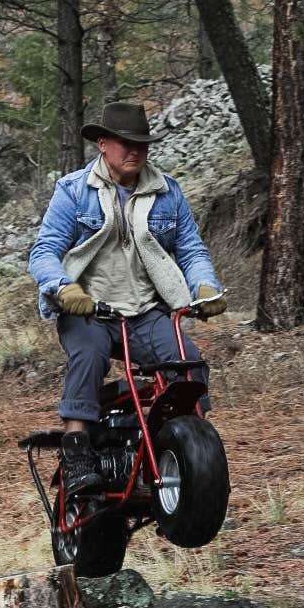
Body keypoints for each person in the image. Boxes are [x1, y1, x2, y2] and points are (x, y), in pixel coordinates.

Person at [28, 100, 227, 498]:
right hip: (89, 310)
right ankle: (77, 454)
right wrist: (65, 288)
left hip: (146, 312)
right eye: (123, 142)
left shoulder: (167, 192)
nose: (133, 151)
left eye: (141, 143)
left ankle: (180, 452)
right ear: (102, 143)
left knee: (189, 364)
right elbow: (44, 251)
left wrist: (205, 287)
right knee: (87, 356)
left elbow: (191, 250)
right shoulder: (73, 191)